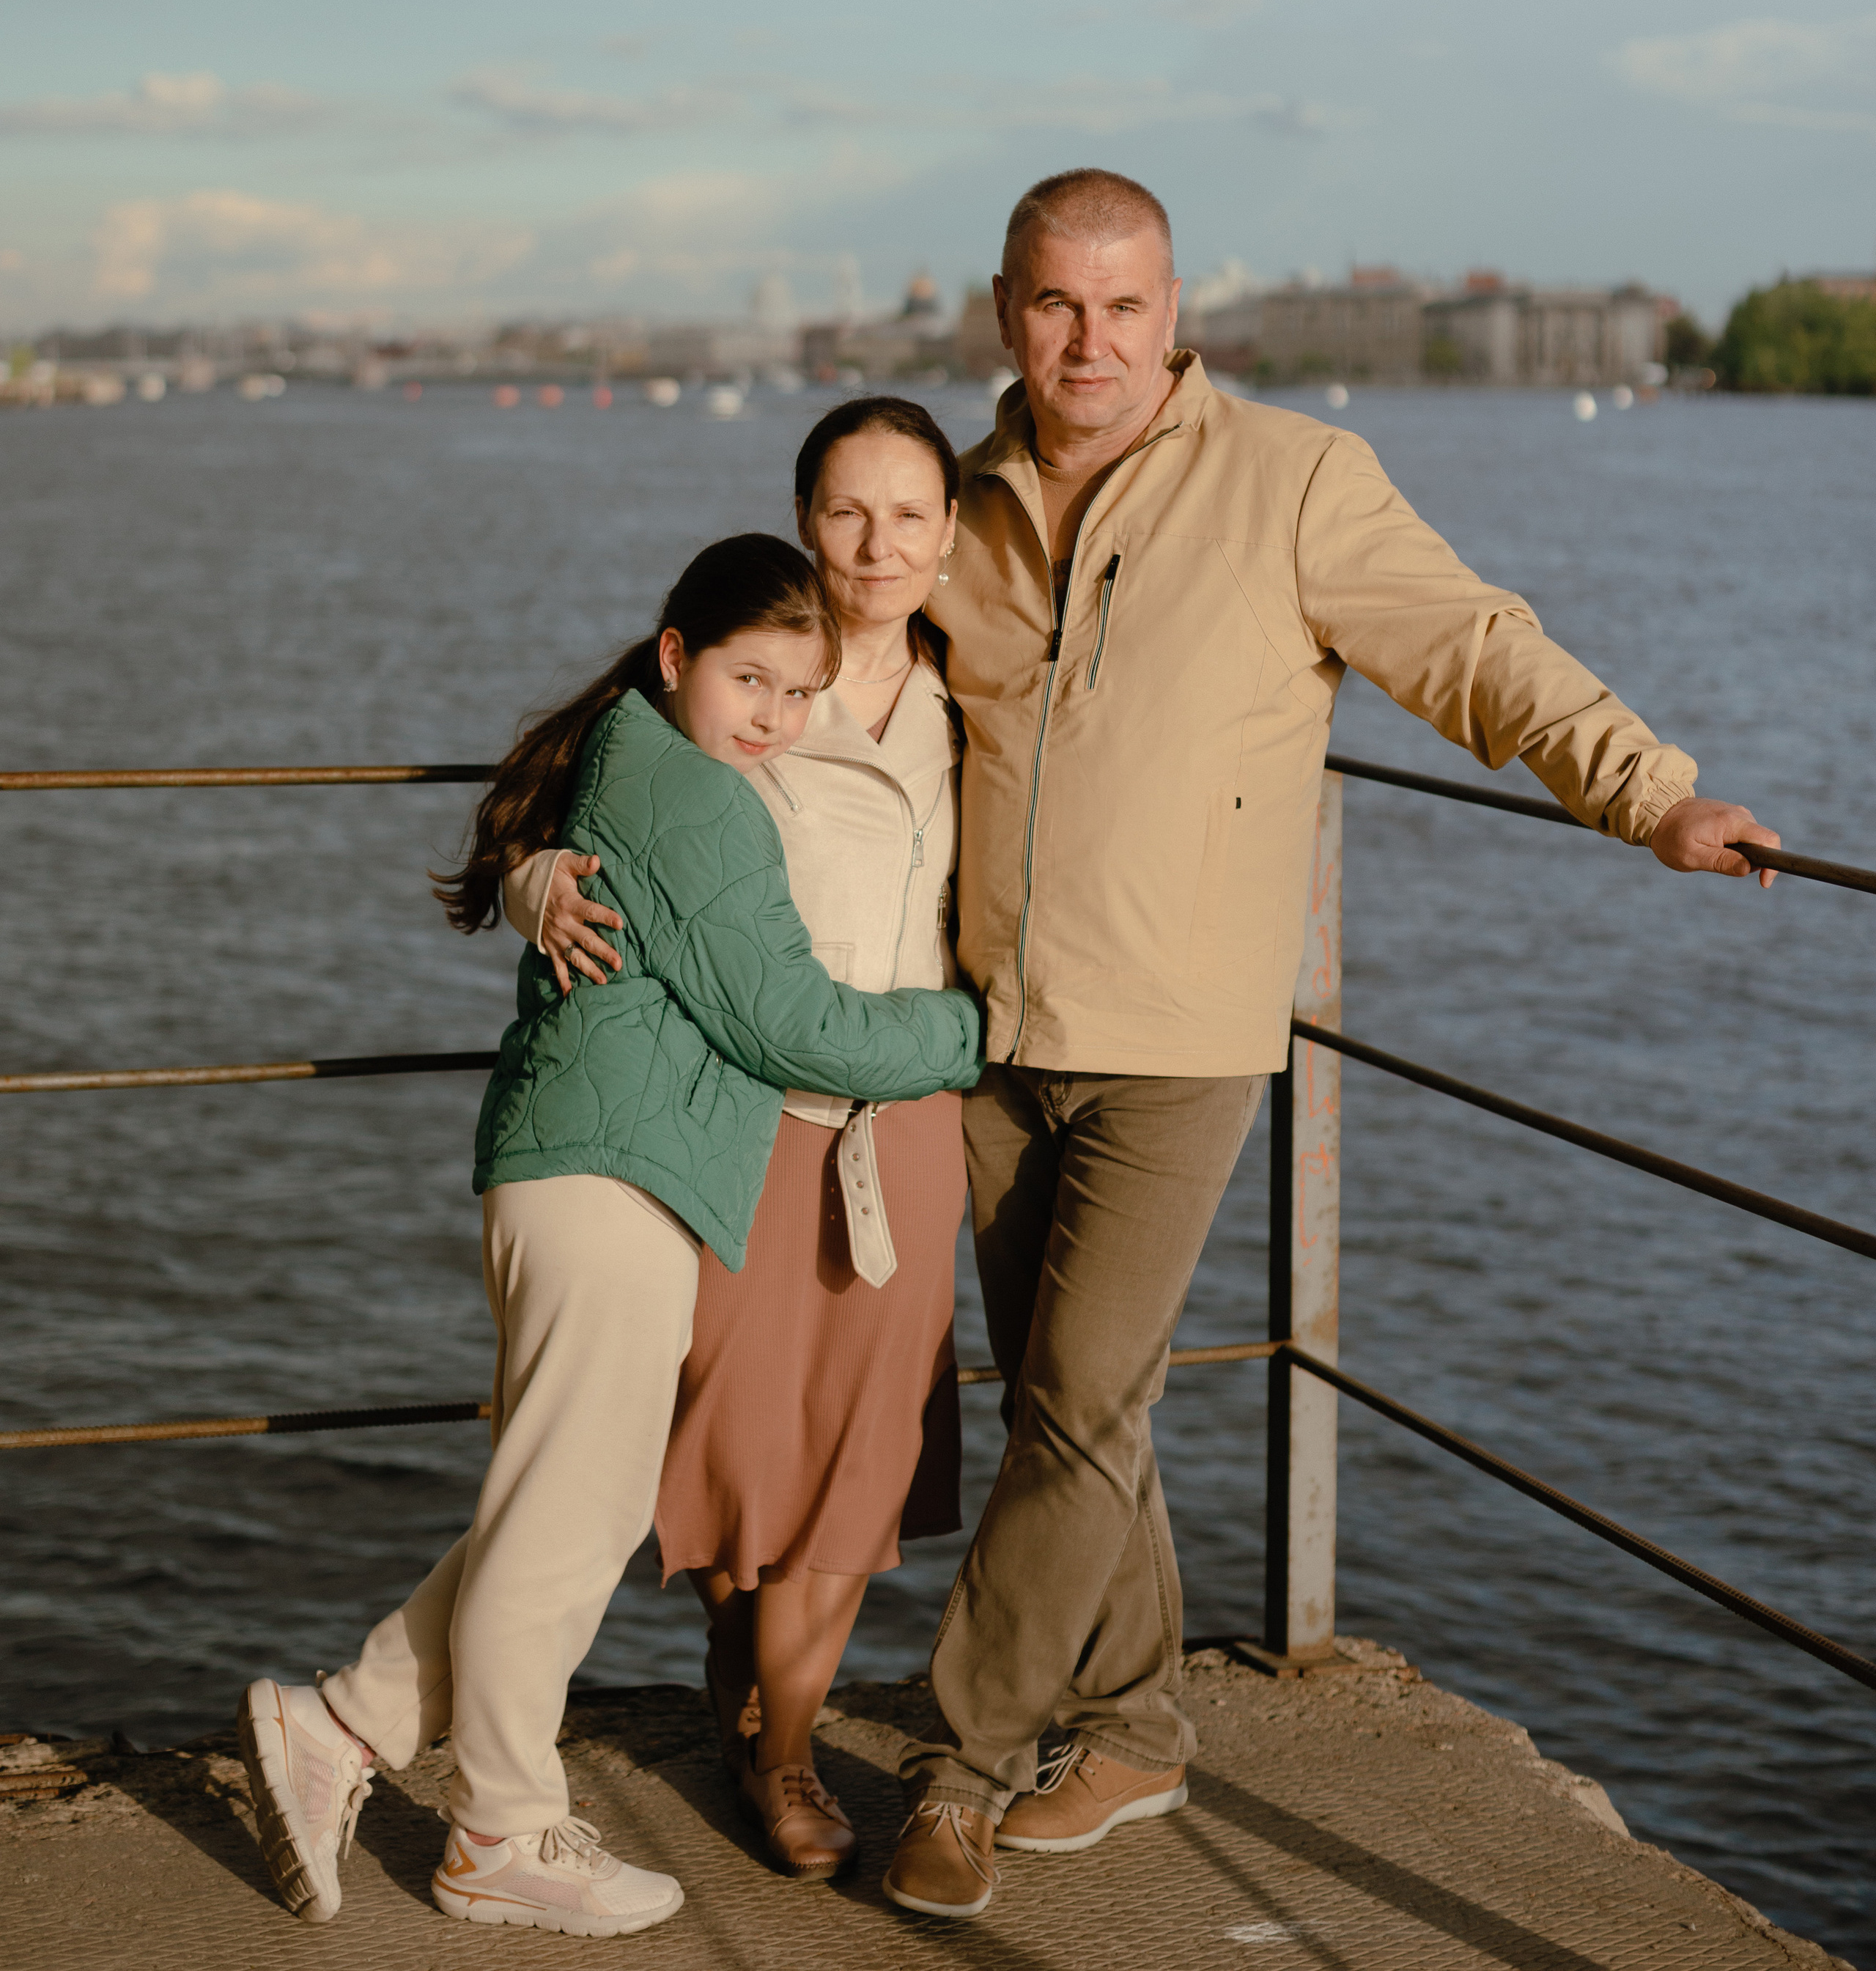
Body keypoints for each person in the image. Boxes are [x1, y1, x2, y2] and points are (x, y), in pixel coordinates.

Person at [882, 168, 1784, 1921]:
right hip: (983, 1028)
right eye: (1056, 306)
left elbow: (1470, 650)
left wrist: (1650, 795)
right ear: (1004, 312)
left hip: (1181, 1037)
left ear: (1173, 309)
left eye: (1123, 305)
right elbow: (802, 667)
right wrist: (577, 808)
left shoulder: (1291, 480)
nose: (1090, 341)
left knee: (1071, 1406)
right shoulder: (954, 503)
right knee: (1077, 1414)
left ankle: (961, 1767)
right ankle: (1136, 1730)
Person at [237, 533, 981, 1939]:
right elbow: (792, 1024)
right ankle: (502, 1832)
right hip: (611, 1177)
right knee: (575, 1516)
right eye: (748, 677)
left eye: (797, 689)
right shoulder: (698, 801)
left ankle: (343, 1721)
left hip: (602, 1166)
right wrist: (975, 1027)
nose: (771, 713)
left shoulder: (651, 755)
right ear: (675, 655)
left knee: (554, 1496)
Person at [511, 398, 970, 1882]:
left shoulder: (978, 692)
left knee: (861, 1454)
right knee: (737, 1441)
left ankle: (781, 1751)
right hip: (749, 1121)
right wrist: (531, 880)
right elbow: (588, 798)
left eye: (909, 515)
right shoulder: (753, 684)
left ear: (950, 534)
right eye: (846, 511)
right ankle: (749, 1682)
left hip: (906, 1127)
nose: (877, 545)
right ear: (801, 517)